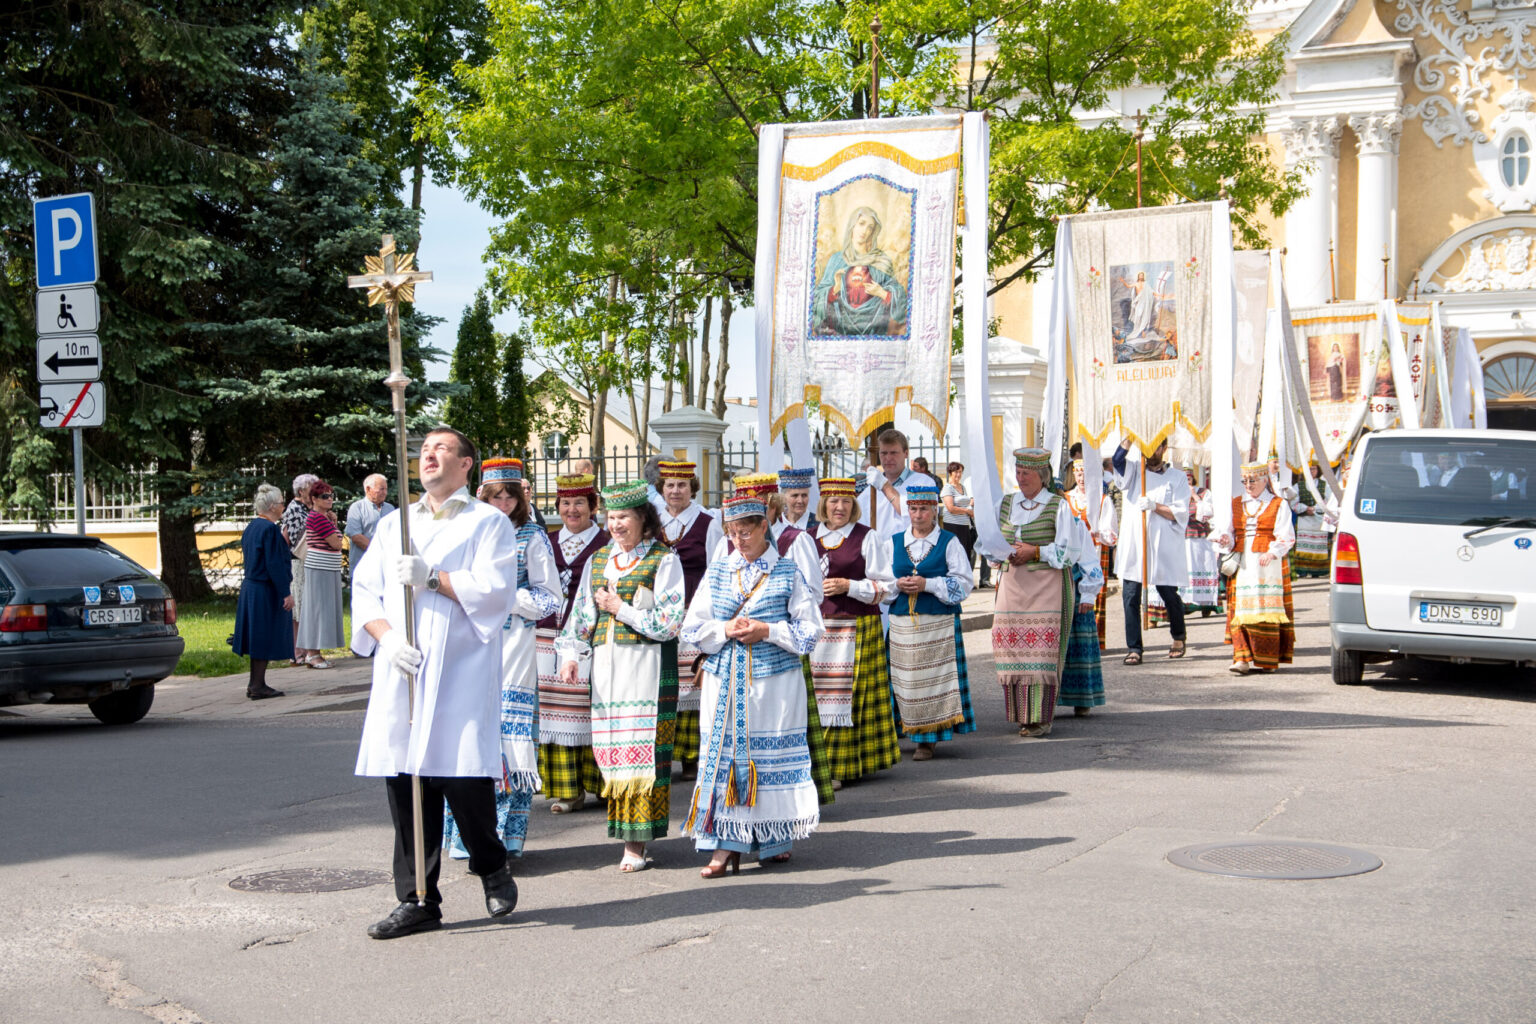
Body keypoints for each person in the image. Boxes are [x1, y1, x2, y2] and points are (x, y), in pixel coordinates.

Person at [351, 425, 520, 940]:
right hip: (403, 667)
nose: (429, 456)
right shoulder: (394, 524)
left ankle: (491, 866)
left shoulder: (488, 523)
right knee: (405, 781)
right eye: (423, 450)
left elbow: (495, 592)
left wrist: (431, 578)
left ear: (466, 464)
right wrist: (385, 639)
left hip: (459, 670)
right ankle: (418, 898)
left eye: (441, 448)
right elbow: (367, 592)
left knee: (462, 778)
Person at [682, 494, 824, 876]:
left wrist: (768, 630)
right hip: (724, 680)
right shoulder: (717, 572)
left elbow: (811, 633)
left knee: (768, 756)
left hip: (773, 683)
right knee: (724, 756)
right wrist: (723, 629)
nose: (739, 540)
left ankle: (772, 837)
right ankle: (723, 845)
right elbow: (691, 628)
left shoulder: (787, 572)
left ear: (765, 527)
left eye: (746, 531)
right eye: (733, 532)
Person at [556, 479, 685, 872]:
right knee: (615, 756)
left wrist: (620, 608)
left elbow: (669, 622)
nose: (616, 525)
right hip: (608, 672)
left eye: (623, 517)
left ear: (643, 519)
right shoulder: (599, 561)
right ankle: (625, 833)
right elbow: (580, 615)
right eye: (611, 517)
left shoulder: (664, 559)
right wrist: (571, 654)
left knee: (642, 756)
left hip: (646, 669)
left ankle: (637, 843)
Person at [444, 458, 560, 862]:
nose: (504, 502)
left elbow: (549, 596)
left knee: (510, 743)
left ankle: (507, 838)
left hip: (513, 646)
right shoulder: (466, 529)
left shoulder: (532, 536)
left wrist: (503, 600)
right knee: (466, 738)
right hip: (468, 640)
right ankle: (465, 838)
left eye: (511, 494)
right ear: (483, 495)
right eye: (497, 495)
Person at [718, 472, 836, 803]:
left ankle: (796, 796)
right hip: (737, 644)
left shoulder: (796, 540)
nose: (741, 523)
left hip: (780, 642)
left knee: (786, 724)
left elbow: (813, 593)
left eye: (753, 509)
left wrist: (773, 617)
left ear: (770, 507)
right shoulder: (727, 544)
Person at [809, 476, 898, 787]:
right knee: (819, 699)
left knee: (850, 700)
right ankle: (818, 764)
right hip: (819, 630)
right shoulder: (807, 538)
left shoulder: (866, 537)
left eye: (846, 501)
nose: (840, 507)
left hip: (858, 625)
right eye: (833, 501)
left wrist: (850, 586)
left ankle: (843, 765)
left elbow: (888, 588)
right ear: (823, 504)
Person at [990, 448, 1084, 738]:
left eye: (1026, 474)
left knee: (1041, 652)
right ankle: (1020, 714)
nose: (1020, 479)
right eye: (1018, 473)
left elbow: (1071, 550)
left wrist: (1037, 551)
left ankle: (1040, 717)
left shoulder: (1058, 505)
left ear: (1042, 476)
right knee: (1012, 649)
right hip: (1012, 585)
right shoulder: (1006, 504)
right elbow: (988, 541)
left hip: (1046, 586)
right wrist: (1001, 552)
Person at [535, 473, 609, 814]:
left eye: (580, 502)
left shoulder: (606, 543)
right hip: (547, 633)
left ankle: (600, 785)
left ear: (593, 507)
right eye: (565, 503)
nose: (572, 510)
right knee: (554, 711)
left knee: (589, 710)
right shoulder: (545, 541)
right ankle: (566, 789)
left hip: (588, 636)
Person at [887, 483, 975, 759]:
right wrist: (896, 584)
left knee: (933, 681)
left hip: (938, 624)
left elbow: (963, 584)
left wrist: (928, 584)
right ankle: (904, 730)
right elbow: (880, 581)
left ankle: (928, 739)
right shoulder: (894, 542)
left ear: (934, 510)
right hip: (902, 624)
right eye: (913, 508)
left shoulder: (949, 542)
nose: (917, 514)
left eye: (923, 509)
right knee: (903, 680)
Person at [655, 459, 723, 782]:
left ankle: (693, 756)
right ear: (662, 488)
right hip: (662, 610)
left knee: (692, 683)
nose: (676, 491)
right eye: (670, 485)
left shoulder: (708, 523)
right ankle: (666, 752)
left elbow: (714, 568)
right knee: (667, 682)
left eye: (682, 485)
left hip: (694, 608)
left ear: (692, 488)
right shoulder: (652, 522)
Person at [1111, 439, 1191, 663]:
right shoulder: (1135, 471)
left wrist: (1155, 507)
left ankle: (1178, 636)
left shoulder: (1177, 477)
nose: (1150, 451)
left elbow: (1181, 513)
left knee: (1168, 594)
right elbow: (1117, 460)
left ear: (1164, 449)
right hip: (1136, 542)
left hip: (1162, 543)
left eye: (1155, 446)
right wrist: (1128, 438)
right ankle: (1134, 648)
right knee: (1130, 596)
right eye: (1147, 446)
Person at [1217, 462, 1296, 674]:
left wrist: (1273, 552)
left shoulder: (1278, 504)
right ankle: (1241, 658)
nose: (1248, 485)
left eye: (1252, 481)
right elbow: (1228, 532)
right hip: (1243, 563)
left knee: (1266, 610)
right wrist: (1225, 538)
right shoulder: (1236, 503)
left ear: (1264, 480)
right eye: (1245, 481)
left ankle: (1267, 659)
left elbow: (1286, 534)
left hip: (1267, 564)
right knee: (1241, 610)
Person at [229, 483, 293, 700]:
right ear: (273, 506)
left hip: (251, 587)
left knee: (257, 635)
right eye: (282, 503)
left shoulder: (252, 527)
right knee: (263, 635)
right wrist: (285, 592)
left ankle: (255, 682)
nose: (284, 506)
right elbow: (275, 563)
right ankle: (257, 685)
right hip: (264, 589)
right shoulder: (269, 530)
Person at [812, 205, 908, 336]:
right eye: (861, 224)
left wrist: (882, 293)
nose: (865, 231)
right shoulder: (837, 260)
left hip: (876, 332)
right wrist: (835, 289)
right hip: (838, 332)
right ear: (853, 225)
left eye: (870, 227)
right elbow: (817, 298)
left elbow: (901, 299)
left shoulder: (881, 260)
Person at [1062, 459, 1117, 648]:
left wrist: (1099, 533)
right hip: (1071, 553)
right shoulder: (1066, 499)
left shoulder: (1102, 500)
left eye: (1085, 474)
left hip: (1095, 549)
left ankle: (1094, 640)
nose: (1081, 478)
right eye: (1078, 474)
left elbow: (1111, 533)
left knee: (1095, 595)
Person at [296, 480, 344, 669]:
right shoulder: (316, 517)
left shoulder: (324, 518)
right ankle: (312, 654)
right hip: (319, 568)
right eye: (325, 496)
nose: (329, 499)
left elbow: (336, 539)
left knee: (324, 611)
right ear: (314, 499)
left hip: (328, 567)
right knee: (316, 610)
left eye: (331, 496)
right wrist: (334, 526)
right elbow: (337, 543)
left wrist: (333, 522)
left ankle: (316, 653)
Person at [281, 473, 318, 666]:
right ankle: (297, 652)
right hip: (298, 563)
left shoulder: (306, 507)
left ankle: (301, 651)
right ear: (301, 491)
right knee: (299, 608)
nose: (315, 493)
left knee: (304, 607)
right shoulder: (295, 509)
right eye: (312, 489)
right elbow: (295, 539)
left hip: (306, 562)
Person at [859, 428, 915, 541]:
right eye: (884, 453)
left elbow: (914, 514)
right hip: (879, 553)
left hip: (911, 553)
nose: (888, 458)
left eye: (894, 453)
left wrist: (884, 486)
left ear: (906, 453)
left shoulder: (922, 483)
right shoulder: (869, 491)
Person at [940, 461, 987, 589]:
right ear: (950, 473)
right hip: (953, 524)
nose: (958, 474)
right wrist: (966, 511)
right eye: (956, 472)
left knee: (966, 552)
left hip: (964, 524)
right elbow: (950, 508)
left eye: (960, 472)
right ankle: (953, 581)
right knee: (955, 553)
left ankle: (964, 581)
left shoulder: (962, 487)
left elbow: (965, 502)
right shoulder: (947, 488)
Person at [346, 474, 394, 554]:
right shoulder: (357, 508)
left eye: (386, 489)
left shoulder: (390, 509)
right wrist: (379, 551)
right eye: (381, 489)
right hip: (363, 563)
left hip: (386, 563)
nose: (385, 493)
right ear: (368, 489)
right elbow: (356, 536)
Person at [779, 467, 818, 531]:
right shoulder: (775, 523)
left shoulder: (819, 525)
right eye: (795, 495)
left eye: (804, 495)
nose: (800, 501)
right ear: (783, 498)